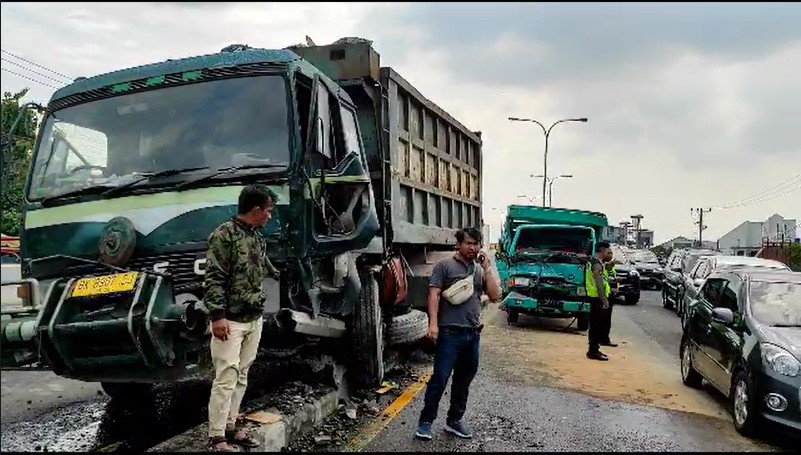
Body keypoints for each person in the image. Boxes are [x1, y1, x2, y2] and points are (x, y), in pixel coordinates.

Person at [204, 184, 281, 452]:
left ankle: (230, 426)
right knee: (226, 376)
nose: (270, 216)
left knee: (242, 374)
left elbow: (262, 269)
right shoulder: (223, 235)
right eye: (268, 211)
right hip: (230, 320)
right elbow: (214, 277)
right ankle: (216, 437)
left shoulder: (257, 238)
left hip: (252, 317)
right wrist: (217, 316)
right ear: (256, 209)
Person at [415, 227, 503, 441]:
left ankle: (454, 421)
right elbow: (434, 295)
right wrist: (433, 325)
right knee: (440, 378)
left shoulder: (480, 270)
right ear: (459, 245)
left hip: (472, 335)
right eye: (468, 243)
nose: (473, 248)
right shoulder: (444, 266)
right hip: (449, 334)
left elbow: (495, 296)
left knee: (463, 381)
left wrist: (488, 268)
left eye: (476, 244)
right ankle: (425, 422)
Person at [586, 241, 612, 361]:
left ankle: (594, 349)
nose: (609, 254)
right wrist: (604, 300)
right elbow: (599, 284)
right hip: (597, 298)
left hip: (595, 298)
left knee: (595, 325)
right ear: (602, 251)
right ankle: (593, 351)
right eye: (608, 252)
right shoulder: (596, 265)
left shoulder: (593, 262)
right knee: (596, 326)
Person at [601, 257, 619, 348]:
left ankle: (605, 339)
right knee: (601, 319)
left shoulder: (612, 269)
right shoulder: (601, 266)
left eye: (611, 253)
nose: (610, 255)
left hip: (610, 295)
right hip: (603, 296)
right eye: (608, 253)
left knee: (607, 319)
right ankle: (599, 341)